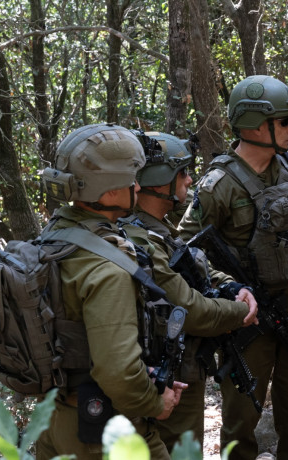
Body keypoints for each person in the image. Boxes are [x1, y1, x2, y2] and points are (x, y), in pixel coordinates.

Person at [178, 75, 288, 460]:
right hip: (247, 317)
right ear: (254, 125)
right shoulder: (219, 184)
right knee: (242, 413)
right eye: (284, 121)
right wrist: (227, 289)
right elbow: (184, 249)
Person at [36, 123, 186, 459]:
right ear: (108, 191)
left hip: (56, 421)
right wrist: (154, 402)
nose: (137, 185)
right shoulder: (107, 267)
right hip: (104, 431)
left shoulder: (55, 235)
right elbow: (116, 372)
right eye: (132, 179)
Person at [119, 131, 258, 451]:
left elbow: (195, 269)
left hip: (181, 369)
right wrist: (241, 311)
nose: (190, 179)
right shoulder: (141, 238)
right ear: (159, 179)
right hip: (171, 375)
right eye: (182, 172)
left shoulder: (157, 228)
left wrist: (232, 287)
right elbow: (190, 308)